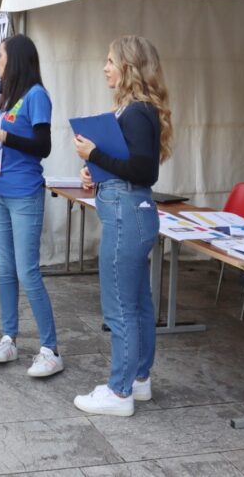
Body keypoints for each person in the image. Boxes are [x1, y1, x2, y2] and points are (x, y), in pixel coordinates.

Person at [72, 36, 173, 416]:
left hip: (124, 213)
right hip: (132, 209)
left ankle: (119, 392)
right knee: (138, 303)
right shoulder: (139, 111)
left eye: (110, 60)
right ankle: (139, 380)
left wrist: (94, 154)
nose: (105, 67)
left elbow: (144, 170)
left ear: (129, 66)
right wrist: (95, 171)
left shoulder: (135, 112)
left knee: (119, 307)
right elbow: (132, 165)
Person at [0, 35, 61, 377]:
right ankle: (8, 337)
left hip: (24, 193)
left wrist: (2, 136)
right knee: (4, 269)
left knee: (27, 271)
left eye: (2, 56)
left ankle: (50, 349)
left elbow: (43, 145)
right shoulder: (9, 97)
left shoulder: (37, 96)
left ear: (18, 58)